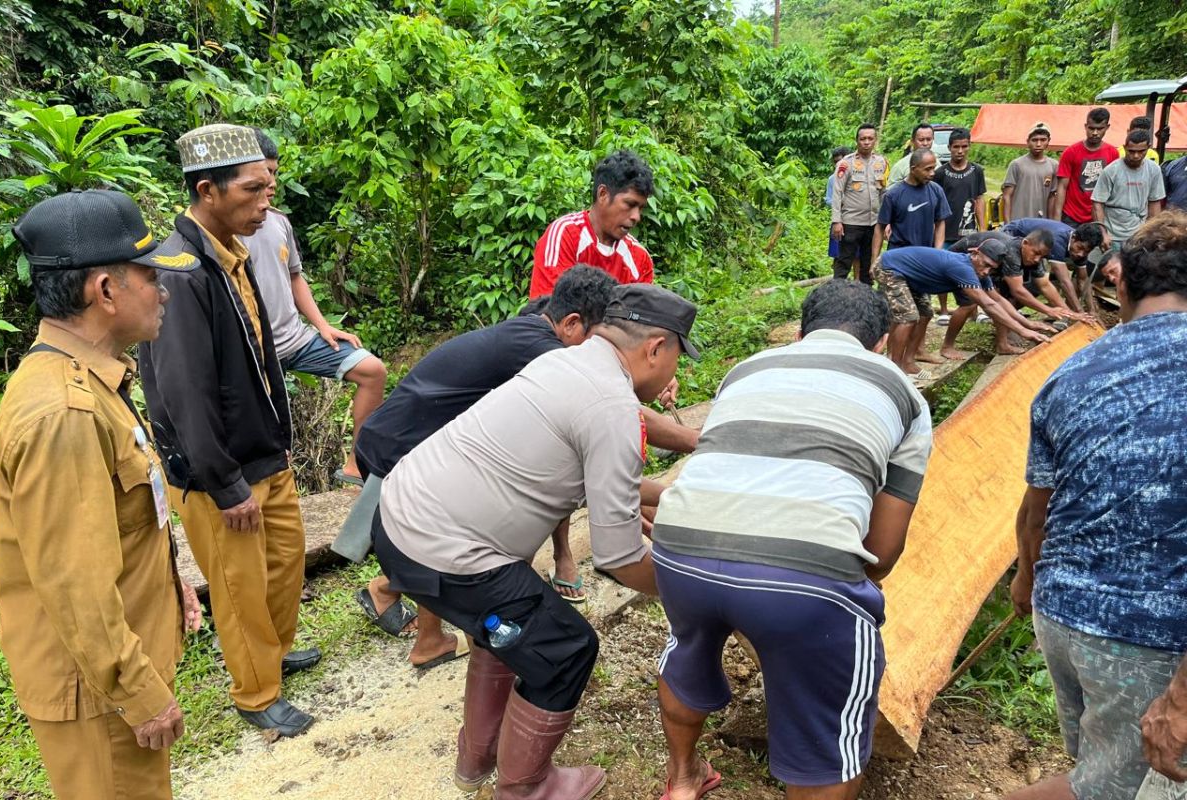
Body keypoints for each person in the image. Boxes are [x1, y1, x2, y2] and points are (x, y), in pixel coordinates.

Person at [374, 283, 698, 799]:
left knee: (505, 631)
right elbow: (619, 557)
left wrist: (676, 497)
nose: (672, 373)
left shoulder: (564, 363)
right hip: (448, 552)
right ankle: (525, 788)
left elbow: (606, 474)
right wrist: (695, 592)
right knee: (565, 649)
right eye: (678, 357)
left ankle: (476, 757)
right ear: (656, 346)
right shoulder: (612, 406)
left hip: (396, 521)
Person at [652, 279, 932, 800]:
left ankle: (684, 779)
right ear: (879, 343)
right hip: (805, 576)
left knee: (687, 648)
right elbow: (884, 550)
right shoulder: (905, 395)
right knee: (828, 734)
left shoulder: (748, 369)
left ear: (802, 332)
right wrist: (817, 592)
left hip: (680, 553)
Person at [340, 267, 698, 661]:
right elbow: (621, 418)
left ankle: (447, 627)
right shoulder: (558, 359)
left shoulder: (535, 335)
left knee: (458, 530)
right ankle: (423, 629)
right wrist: (698, 440)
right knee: (450, 531)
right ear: (574, 324)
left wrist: (643, 491)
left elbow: (573, 470)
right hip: (408, 439)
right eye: (599, 336)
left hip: (421, 439)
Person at [0, 190, 204, 799]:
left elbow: (116, 524)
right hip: (100, 694)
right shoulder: (64, 410)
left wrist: (171, 584)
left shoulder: (89, 377)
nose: (162, 291)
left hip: (108, 677)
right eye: (149, 276)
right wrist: (137, 692)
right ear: (105, 291)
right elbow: (74, 581)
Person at [138, 124, 318, 738]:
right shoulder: (181, 274)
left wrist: (279, 439)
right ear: (208, 190)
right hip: (223, 472)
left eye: (270, 186)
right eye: (253, 189)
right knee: (240, 586)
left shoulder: (235, 254)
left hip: (264, 452)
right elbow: (184, 394)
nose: (266, 200)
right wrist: (224, 483)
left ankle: (273, 652)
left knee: (284, 561)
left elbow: (259, 358)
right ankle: (255, 692)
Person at [1007, 211, 1187, 800]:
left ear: (1122, 285)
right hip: (1149, 631)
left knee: (1095, 771)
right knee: (1105, 789)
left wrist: (1026, 579)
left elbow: (1036, 513)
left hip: (1061, 612)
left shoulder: (1070, 373)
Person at [246, 129, 387, 487]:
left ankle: (356, 465)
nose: (272, 182)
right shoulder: (223, 229)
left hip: (295, 339)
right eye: (264, 173)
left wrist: (322, 324)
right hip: (253, 352)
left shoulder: (279, 222)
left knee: (372, 371)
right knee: (268, 435)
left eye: (275, 173)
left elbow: (294, 277)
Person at [872, 240, 1048, 375]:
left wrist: (1027, 324)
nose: (987, 271)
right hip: (889, 267)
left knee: (925, 313)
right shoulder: (961, 267)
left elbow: (998, 300)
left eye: (992, 269)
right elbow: (987, 304)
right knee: (908, 316)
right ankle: (894, 368)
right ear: (975, 253)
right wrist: (1023, 331)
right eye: (985, 264)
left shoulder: (979, 273)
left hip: (909, 276)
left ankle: (909, 361)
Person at [529, 150, 654, 299]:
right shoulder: (565, 235)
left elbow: (640, 317)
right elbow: (547, 311)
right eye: (629, 204)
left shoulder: (640, 258)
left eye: (640, 208)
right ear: (603, 194)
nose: (636, 217)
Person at [940, 229, 1068, 359]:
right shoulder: (1011, 253)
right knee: (969, 304)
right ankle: (947, 347)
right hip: (964, 263)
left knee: (1002, 298)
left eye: (1042, 257)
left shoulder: (1027, 253)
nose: (1037, 259)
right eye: (1036, 253)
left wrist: (1066, 312)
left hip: (984, 267)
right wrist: (1045, 312)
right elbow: (1017, 291)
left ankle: (1002, 344)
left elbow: (1044, 285)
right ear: (1025, 243)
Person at [933, 128, 987, 323]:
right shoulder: (940, 173)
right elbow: (936, 202)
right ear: (949, 148)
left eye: (964, 146)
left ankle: (974, 310)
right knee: (942, 268)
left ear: (969, 146)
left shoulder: (977, 171)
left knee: (975, 269)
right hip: (946, 229)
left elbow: (980, 199)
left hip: (970, 230)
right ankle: (945, 311)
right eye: (956, 147)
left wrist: (983, 229)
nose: (960, 151)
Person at [1001, 218, 1111, 312]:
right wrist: (1079, 312)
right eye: (1080, 248)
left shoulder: (1081, 247)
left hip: (1033, 249)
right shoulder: (1058, 240)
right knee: (1016, 285)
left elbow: (1083, 280)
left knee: (1035, 286)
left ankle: (1010, 311)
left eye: (1086, 251)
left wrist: (1092, 311)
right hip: (1012, 234)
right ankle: (1006, 313)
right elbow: (1064, 282)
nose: (1081, 254)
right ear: (1073, 238)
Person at [831, 124, 890, 285]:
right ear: (857, 141)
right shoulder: (845, 164)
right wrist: (836, 221)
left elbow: (884, 193)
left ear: (875, 140)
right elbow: (837, 192)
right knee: (843, 262)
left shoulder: (882, 163)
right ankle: (836, 294)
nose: (866, 142)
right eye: (863, 139)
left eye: (870, 138)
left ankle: (866, 298)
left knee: (868, 263)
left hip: (873, 223)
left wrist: (886, 221)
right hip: (851, 222)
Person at [871, 149, 952, 259]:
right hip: (899, 257)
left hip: (926, 256)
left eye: (933, 168)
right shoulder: (893, 194)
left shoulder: (936, 191)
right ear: (913, 169)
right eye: (927, 169)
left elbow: (940, 223)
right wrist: (874, 260)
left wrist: (937, 252)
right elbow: (880, 228)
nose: (932, 173)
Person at [1092, 129, 1165, 249]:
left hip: (1139, 233)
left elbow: (1154, 203)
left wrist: (1153, 232)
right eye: (1131, 151)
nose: (1136, 155)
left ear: (1149, 148)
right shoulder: (1111, 170)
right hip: (1113, 233)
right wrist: (1103, 233)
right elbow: (1097, 203)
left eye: (1141, 151)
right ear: (1125, 147)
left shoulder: (1154, 170)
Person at [1053, 107, 1119, 225]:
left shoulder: (1113, 153)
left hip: (1098, 215)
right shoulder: (1071, 152)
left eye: (1099, 129)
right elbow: (1062, 187)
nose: (1095, 133)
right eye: (1091, 128)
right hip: (1071, 215)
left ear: (1107, 127)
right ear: (1085, 126)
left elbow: (1113, 188)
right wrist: (1056, 221)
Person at [1001, 122, 1058, 222]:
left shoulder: (1053, 166)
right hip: (1018, 222)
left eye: (1043, 140)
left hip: (1041, 223)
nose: (1038, 144)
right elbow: (1007, 196)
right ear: (1028, 141)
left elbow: (1052, 197)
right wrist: (1007, 223)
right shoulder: (1017, 164)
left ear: (1048, 141)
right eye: (1034, 140)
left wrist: (1051, 222)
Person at [825, 146, 853, 263]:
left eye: (840, 161)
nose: (838, 164)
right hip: (839, 219)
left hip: (855, 219)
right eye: (836, 162)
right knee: (838, 254)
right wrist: (839, 203)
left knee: (857, 255)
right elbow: (828, 199)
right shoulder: (832, 179)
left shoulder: (857, 176)